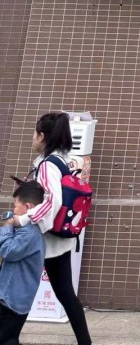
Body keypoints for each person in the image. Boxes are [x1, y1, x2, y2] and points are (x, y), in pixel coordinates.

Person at [14, 112, 92, 345]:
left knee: (19, 288)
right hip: (59, 240)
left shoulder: (48, 164)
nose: (32, 138)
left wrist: (24, 219)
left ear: (42, 136)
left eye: (34, 133)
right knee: (64, 293)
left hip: (46, 240)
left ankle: (7, 337)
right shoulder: (62, 159)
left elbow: (52, 202)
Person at [0, 181, 46, 345]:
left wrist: (6, 227)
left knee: (6, 339)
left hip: (11, 299)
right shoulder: (30, 230)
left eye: (15, 206)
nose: (13, 210)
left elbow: (8, 251)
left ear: (27, 207)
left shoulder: (28, 233)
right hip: (16, 297)